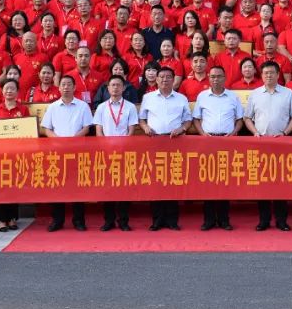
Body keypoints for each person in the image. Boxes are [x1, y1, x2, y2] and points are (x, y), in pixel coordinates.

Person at [244, 61, 292, 231]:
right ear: (261, 75)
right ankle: (264, 220)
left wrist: (285, 133)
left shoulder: (288, 93)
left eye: (272, 72)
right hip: (261, 144)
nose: (268, 75)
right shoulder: (255, 94)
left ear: (278, 74)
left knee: (281, 183)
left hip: (281, 144)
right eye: (265, 73)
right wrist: (255, 132)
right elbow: (247, 118)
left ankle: (281, 220)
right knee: (262, 184)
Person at [191, 66, 244, 230]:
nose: (215, 79)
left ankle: (224, 220)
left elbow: (240, 119)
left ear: (225, 78)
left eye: (219, 76)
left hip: (227, 142)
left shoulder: (233, 97)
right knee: (208, 181)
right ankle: (208, 220)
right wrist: (202, 134)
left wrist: (234, 133)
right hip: (208, 142)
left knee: (224, 182)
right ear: (209, 78)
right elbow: (196, 119)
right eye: (213, 76)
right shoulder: (202, 96)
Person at [138, 66, 191, 230]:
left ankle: (172, 220)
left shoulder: (181, 98)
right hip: (155, 142)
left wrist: (181, 129)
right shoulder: (148, 97)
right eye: (161, 77)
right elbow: (142, 119)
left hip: (174, 143)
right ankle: (157, 220)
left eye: (168, 77)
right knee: (156, 181)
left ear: (173, 80)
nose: (164, 80)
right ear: (156, 79)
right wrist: (145, 127)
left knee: (173, 181)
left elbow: (188, 120)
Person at [41, 74, 95, 232]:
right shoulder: (53, 107)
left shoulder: (82, 106)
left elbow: (87, 128)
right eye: (63, 84)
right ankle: (57, 220)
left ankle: (79, 220)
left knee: (77, 186)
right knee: (57, 187)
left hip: (77, 152)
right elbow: (46, 129)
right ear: (59, 88)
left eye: (69, 84)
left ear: (74, 87)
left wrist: (72, 141)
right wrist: (58, 141)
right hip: (57, 152)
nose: (66, 87)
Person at [93, 75, 138, 231]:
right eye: (112, 85)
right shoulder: (102, 107)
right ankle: (109, 221)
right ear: (108, 88)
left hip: (125, 153)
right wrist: (105, 147)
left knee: (124, 187)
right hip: (106, 153)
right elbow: (98, 130)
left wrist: (123, 147)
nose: (115, 88)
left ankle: (123, 221)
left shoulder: (130, 107)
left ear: (123, 88)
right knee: (108, 188)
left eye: (118, 85)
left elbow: (131, 130)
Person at [0, 80, 32, 231]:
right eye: (6, 88)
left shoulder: (23, 109)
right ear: (2, 91)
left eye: (12, 88)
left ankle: (12, 218)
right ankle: (1, 219)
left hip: (17, 154)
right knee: (0, 186)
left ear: (17, 92)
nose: (9, 91)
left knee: (14, 186)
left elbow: (28, 130)